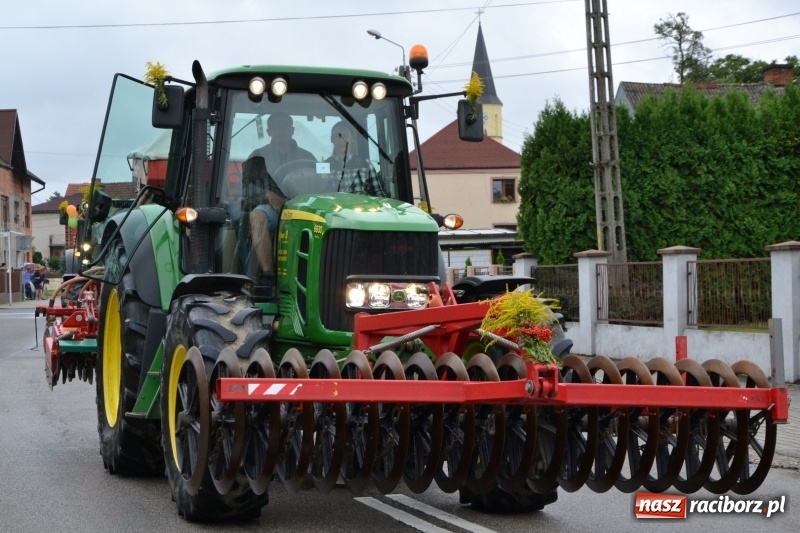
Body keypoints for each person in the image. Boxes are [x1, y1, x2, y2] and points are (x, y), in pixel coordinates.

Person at [241, 112, 316, 292]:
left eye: (285, 127)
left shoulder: (308, 157)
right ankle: (267, 275)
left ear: (292, 130)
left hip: (303, 209)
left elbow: (320, 185)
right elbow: (245, 191)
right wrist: (266, 195)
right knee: (258, 215)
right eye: (276, 127)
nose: (281, 131)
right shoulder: (257, 158)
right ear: (269, 131)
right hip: (273, 210)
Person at [325, 121, 385, 197]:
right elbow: (319, 194)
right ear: (331, 139)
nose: (341, 140)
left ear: (352, 138)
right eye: (337, 136)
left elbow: (378, 194)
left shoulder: (365, 164)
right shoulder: (324, 166)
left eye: (345, 136)